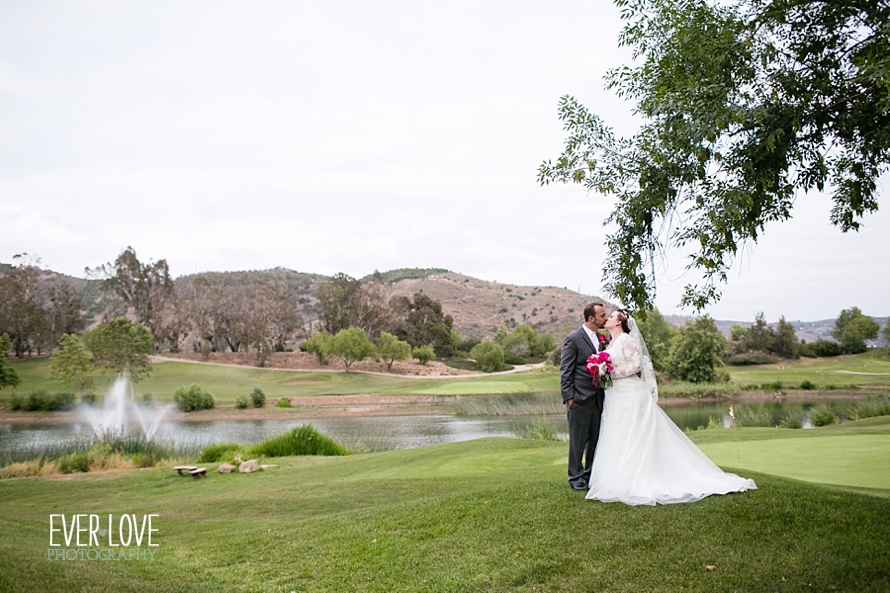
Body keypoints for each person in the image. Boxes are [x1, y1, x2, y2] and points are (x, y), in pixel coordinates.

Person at [586, 310, 757, 505]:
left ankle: (640, 478)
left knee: (635, 433)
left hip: (631, 394)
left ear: (619, 322)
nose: (606, 318)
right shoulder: (611, 342)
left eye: (611, 316)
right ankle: (618, 479)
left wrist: (611, 372)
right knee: (619, 434)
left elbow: (635, 366)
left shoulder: (627, 340)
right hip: (615, 396)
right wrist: (601, 370)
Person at [560, 302, 608, 490]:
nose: (605, 318)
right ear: (591, 318)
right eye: (602, 315)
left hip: (597, 399)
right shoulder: (573, 339)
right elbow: (566, 370)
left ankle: (589, 476)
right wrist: (569, 398)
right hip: (579, 399)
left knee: (594, 441)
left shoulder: (601, 338)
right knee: (578, 442)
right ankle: (575, 478)